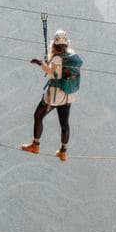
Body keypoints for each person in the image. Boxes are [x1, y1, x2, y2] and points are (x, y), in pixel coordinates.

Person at [22, 28, 77, 161]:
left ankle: (35, 145)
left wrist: (39, 62)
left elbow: (49, 69)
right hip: (68, 95)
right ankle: (63, 152)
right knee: (64, 124)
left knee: (38, 115)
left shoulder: (57, 58)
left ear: (55, 44)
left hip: (55, 95)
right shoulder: (71, 57)